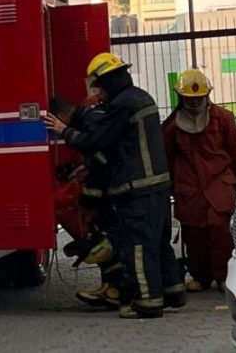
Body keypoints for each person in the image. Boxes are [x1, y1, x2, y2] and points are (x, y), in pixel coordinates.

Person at [45, 53, 186, 319]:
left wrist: (64, 131)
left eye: (98, 84)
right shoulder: (140, 97)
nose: (96, 91)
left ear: (106, 80)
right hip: (156, 184)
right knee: (157, 241)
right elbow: (120, 145)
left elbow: (98, 139)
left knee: (139, 245)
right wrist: (88, 167)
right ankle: (172, 291)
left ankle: (148, 302)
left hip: (136, 186)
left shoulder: (121, 105)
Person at [162, 69, 236, 293]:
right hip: (189, 188)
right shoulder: (172, 127)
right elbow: (167, 158)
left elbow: (235, 152)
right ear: (181, 98)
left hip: (219, 184)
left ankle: (223, 277)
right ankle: (201, 276)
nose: (195, 103)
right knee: (193, 234)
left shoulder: (224, 119)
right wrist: (173, 186)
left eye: (199, 98)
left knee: (221, 232)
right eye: (190, 99)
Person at [49, 94, 123, 309]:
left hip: (113, 189)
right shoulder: (89, 119)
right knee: (105, 240)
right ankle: (110, 287)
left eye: (54, 121)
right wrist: (86, 168)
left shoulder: (88, 122)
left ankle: (116, 290)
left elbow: (102, 157)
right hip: (113, 187)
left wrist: (89, 199)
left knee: (110, 241)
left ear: (61, 115)